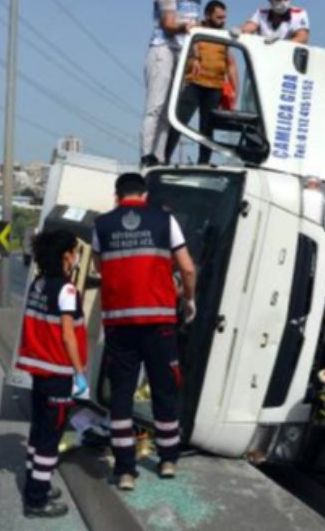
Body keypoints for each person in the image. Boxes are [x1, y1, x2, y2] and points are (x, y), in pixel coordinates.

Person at [92, 173, 196, 489]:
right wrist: (188, 298)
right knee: (164, 390)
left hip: (119, 324)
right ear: (145, 194)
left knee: (121, 395)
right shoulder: (165, 220)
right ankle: (167, 460)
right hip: (159, 322)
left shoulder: (101, 225)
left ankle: (125, 470)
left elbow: (100, 268)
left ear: (117, 195)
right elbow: (187, 268)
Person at [16, 229, 88, 518]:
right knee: (49, 437)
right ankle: (36, 500)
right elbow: (68, 336)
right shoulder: (66, 290)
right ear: (65, 256)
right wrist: (80, 373)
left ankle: (37, 482)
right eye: (74, 251)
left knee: (39, 431)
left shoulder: (39, 283)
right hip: (58, 372)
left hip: (40, 370)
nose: (76, 256)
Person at [140, 0, 219, 168]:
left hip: (181, 53)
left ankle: (160, 157)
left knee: (169, 110)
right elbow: (168, 24)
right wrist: (184, 26)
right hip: (163, 49)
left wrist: (195, 55)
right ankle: (146, 154)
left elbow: (193, 31)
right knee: (155, 106)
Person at [172, 0, 239, 164]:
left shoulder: (224, 36)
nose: (222, 21)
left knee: (208, 129)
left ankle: (203, 162)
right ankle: (164, 156)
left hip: (215, 88)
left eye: (224, 17)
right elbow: (189, 43)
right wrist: (195, 57)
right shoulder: (196, 30)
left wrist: (234, 90)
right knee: (179, 121)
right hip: (194, 84)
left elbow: (230, 63)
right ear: (208, 15)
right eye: (219, 17)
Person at [240, 0, 310, 44]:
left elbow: (302, 37)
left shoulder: (299, 13)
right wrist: (239, 31)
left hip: (287, 52)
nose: (283, 3)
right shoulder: (261, 13)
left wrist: (279, 45)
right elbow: (249, 27)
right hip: (263, 52)